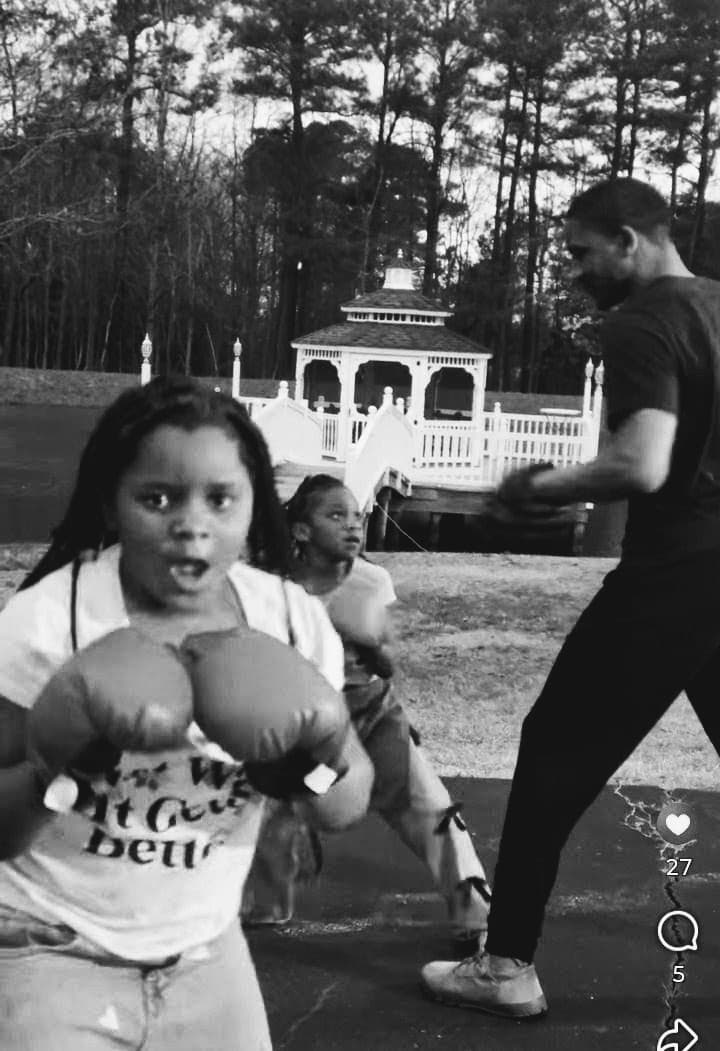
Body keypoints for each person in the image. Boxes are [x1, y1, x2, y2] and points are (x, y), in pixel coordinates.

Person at [420, 176, 720, 1019]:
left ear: (629, 240)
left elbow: (642, 464)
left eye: (584, 252)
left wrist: (542, 483)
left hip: (675, 573)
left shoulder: (644, 323)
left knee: (554, 746)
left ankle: (507, 961)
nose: (577, 269)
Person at [0, 377, 373, 1050]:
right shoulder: (50, 621)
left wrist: (308, 763)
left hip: (205, 956)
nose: (191, 523)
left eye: (220, 498)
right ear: (113, 505)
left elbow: (344, 804)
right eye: (157, 498)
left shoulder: (289, 620)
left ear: (255, 505)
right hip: (51, 947)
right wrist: (53, 770)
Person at [242, 474, 492, 952]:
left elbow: (385, 664)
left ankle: (477, 917)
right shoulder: (272, 587)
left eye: (356, 516)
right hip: (303, 726)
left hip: (372, 714)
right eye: (335, 516)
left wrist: (371, 640)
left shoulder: (372, 579)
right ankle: (265, 904)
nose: (353, 526)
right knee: (270, 810)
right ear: (300, 530)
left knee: (432, 811)